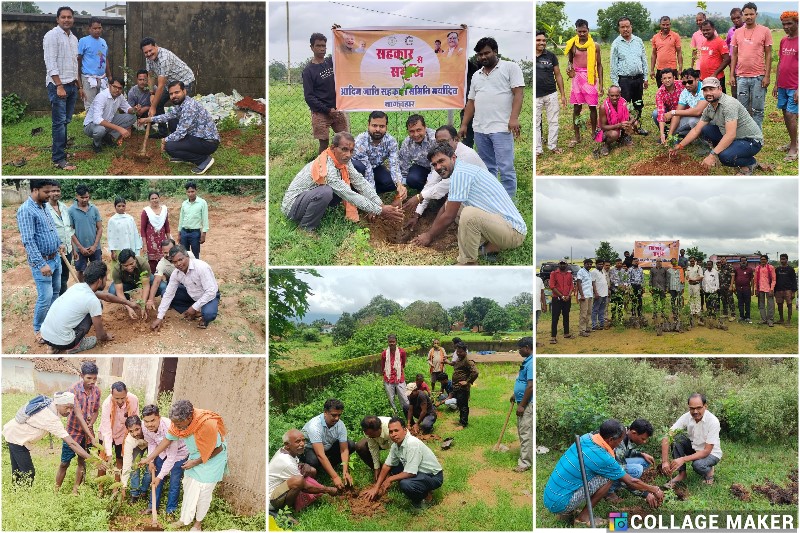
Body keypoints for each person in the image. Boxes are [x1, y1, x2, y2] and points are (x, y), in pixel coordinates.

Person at [410, 144, 527, 265]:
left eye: (441, 161)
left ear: (453, 157)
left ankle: (468, 262)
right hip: (500, 224)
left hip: (514, 232)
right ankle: (491, 246)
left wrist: (429, 235)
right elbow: (447, 207)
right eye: (434, 164)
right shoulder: (460, 170)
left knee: (469, 214)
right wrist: (430, 233)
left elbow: (449, 216)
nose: (438, 167)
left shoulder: (461, 173)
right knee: (453, 205)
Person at [543, 419, 664, 528]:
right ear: (611, 439)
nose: (619, 444)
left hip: (551, 496)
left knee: (610, 473)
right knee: (608, 477)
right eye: (619, 441)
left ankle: (570, 509)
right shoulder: (604, 458)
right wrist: (654, 489)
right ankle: (583, 518)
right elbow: (631, 481)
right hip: (560, 503)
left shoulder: (586, 438)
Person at [282, 132, 404, 233]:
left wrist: (380, 204)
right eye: (344, 149)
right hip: (292, 207)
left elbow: (359, 181)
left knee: (336, 188)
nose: (348, 155)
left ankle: (316, 211)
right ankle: (305, 229)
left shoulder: (342, 161)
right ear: (333, 148)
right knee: (326, 192)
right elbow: (348, 194)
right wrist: (380, 210)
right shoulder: (327, 167)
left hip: (308, 198)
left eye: (351, 151)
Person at [139, 400, 228, 531]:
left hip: (212, 460)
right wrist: (149, 458)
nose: (176, 427)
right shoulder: (177, 423)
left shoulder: (207, 424)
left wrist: (195, 462)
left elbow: (218, 449)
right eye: (174, 424)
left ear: (189, 418)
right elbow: (167, 440)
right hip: (195, 455)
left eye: (179, 425)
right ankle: (184, 519)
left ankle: (198, 524)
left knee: (203, 493)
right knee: (189, 488)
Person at [459, 37, 523, 197]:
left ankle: (508, 202)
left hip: (501, 127)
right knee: (487, 167)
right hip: (480, 129)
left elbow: (518, 94)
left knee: (506, 167)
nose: (483, 57)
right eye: (480, 54)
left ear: (495, 52)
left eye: (486, 53)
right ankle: (492, 198)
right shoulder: (476, 75)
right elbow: (471, 102)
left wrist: (514, 118)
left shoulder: (510, 67)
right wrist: (464, 124)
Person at [41, 261, 141, 354]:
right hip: (65, 342)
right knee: (97, 308)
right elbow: (100, 336)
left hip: (46, 335)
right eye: (105, 278)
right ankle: (75, 346)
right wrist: (106, 336)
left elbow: (106, 296)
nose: (106, 280)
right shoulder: (92, 301)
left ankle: (53, 347)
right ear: (100, 280)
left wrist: (128, 303)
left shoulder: (78, 287)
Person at [669, 77, 763, 175]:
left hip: (750, 140)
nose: (708, 93)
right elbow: (696, 130)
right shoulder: (710, 107)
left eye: (711, 89)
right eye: (705, 90)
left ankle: (751, 163)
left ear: (720, 89)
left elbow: (730, 135)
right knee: (706, 129)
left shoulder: (729, 105)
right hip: (732, 137)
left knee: (725, 157)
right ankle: (725, 150)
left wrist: (712, 155)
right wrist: (680, 146)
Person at [401, 126, 486, 231]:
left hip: (481, 198)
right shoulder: (443, 155)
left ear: (456, 139)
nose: (442, 146)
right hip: (465, 192)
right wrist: (417, 214)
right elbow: (431, 183)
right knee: (448, 206)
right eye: (438, 143)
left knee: (457, 214)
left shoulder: (467, 156)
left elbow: (448, 184)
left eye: (445, 142)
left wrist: (420, 197)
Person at [3, 391, 98, 486]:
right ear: (58, 404)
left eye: (71, 408)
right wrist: (92, 459)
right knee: (28, 473)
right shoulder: (50, 418)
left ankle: (16, 490)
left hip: (15, 433)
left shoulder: (50, 405)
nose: (69, 411)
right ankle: (23, 493)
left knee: (18, 470)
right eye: (66, 407)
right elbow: (71, 443)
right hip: (17, 437)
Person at [18, 179, 65, 344]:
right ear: (35, 190)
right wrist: (40, 264)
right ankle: (38, 329)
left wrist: (59, 243)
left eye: (51, 191)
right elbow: (28, 241)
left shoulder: (44, 206)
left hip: (55, 258)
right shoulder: (26, 210)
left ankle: (52, 323)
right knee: (45, 297)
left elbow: (51, 229)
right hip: (43, 263)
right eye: (46, 192)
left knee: (56, 292)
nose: (50, 195)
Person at [138, 81, 219, 175]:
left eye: (177, 92)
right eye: (171, 94)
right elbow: (168, 116)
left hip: (207, 142)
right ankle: (183, 155)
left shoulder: (189, 107)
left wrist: (165, 140)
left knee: (170, 147)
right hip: (197, 136)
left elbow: (180, 133)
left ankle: (203, 160)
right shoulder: (182, 103)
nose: (174, 96)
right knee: (172, 121)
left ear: (184, 91)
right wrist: (148, 119)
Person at [363, 418, 444, 511]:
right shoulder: (395, 445)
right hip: (419, 472)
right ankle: (419, 486)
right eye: (391, 432)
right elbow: (387, 465)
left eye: (396, 430)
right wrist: (376, 487)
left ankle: (425, 498)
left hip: (433, 476)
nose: (393, 434)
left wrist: (389, 479)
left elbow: (411, 473)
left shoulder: (412, 444)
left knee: (406, 484)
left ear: (405, 430)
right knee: (393, 468)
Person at [269, 429, 337, 521]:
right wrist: (327, 489)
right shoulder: (286, 461)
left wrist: (304, 465)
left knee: (311, 470)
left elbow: (296, 464)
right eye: (297, 441)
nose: (302, 444)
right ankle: (285, 512)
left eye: (303, 440)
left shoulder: (287, 451)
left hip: (279, 488)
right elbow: (305, 486)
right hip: (271, 499)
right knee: (298, 481)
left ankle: (297, 499)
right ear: (287, 445)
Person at [54, 362, 100, 493]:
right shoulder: (73, 390)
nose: (92, 381)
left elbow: (96, 410)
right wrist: (92, 436)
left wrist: (91, 423)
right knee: (65, 462)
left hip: (87, 433)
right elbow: (79, 416)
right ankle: (56, 490)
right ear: (81, 375)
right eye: (89, 378)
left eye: (95, 378)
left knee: (82, 460)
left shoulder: (97, 391)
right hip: (72, 432)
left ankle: (75, 490)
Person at [43, 7, 79, 170]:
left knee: (66, 121)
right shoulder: (52, 36)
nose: (66, 20)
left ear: (73, 19)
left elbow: (74, 63)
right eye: (63, 17)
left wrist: (78, 85)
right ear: (57, 19)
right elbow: (50, 63)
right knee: (59, 123)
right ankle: (58, 159)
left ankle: (61, 151)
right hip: (58, 86)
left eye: (69, 17)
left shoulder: (74, 38)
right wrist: (59, 85)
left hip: (71, 85)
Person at [151, 245, 220, 330]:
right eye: (175, 262)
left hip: (209, 295)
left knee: (209, 314)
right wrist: (159, 318)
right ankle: (195, 312)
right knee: (165, 292)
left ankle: (203, 316)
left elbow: (211, 291)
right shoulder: (176, 273)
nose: (178, 264)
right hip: (191, 294)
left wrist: (194, 307)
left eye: (180, 259)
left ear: (187, 256)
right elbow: (169, 294)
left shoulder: (201, 267)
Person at [662, 394, 722, 488]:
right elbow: (667, 436)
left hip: (711, 453)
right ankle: (682, 474)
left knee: (697, 465)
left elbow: (707, 451)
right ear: (689, 407)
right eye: (692, 408)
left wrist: (682, 459)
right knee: (676, 439)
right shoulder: (687, 417)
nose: (695, 411)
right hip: (695, 448)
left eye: (699, 408)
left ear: (705, 406)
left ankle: (709, 471)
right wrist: (665, 461)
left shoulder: (713, 421)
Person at [140, 37, 195, 138]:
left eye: (150, 50)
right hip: (169, 83)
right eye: (146, 52)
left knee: (181, 108)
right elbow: (151, 75)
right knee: (158, 103)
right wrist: (152, 93)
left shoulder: (164, 58)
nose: (148, 54)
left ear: (156, 46)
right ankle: (163, 132)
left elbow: (160, 85)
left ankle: (181, 134)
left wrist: (152, 107)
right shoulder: (149, 58)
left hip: (184, 81)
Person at [730, 2, 773, 130]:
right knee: (742, 109)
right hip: (741, 77)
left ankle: (757, 136)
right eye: (746, 14)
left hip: (758, 77)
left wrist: (767, 76)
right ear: (742, 15)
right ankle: (744, 135)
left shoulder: (765, 31)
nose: (749, 17)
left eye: (751, 14)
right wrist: (732, 75)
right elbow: (734, 55)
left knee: (757, 109)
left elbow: (769, 54)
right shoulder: (737, 32)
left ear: (756, 14)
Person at [140, 404, 189, 517]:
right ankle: (152, 507)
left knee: (174, 481)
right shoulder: (144, 426)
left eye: (152, 420)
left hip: (179, 452)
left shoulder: (169, 428)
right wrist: (151, 461)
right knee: (156, 478)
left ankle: (170, 510)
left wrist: (160, 476)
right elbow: (151, 443)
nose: (149, 424)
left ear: (159, 417)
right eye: (146, 421)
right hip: (161, 451)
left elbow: (171, 457)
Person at [303, 32, 347, 154]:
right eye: (318, 46)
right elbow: (309, 97)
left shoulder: (330, 62)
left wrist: (340, 34)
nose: (322, 49)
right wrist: (327, 110)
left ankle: (342, 161)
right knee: (324, 142)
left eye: (324, 46)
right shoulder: (308, 71)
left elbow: (343, 51)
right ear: (312, 47)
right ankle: (321, 163)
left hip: (336, 109)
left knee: (344, 138)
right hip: (321, 112)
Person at [299, 398, 355, 490]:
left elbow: (344, 450)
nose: (337, 418)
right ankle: (318, 468)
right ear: (325, 412)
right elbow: (320, 454)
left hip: (327, 447)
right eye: (334, 415)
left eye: (339, 415)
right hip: (311, 448)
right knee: (313, 461)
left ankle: (328, 466)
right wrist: (335, 477)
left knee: (351, 445)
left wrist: (345, 471)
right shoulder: (315, 426)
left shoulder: (340, 425)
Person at [565, 20, 603, 147]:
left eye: (584, 31)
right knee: (577, 108)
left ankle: (594, 133)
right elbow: (570, 62)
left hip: (590, 78)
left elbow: (599, 65)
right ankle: (577, 136)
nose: (582, 34)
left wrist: (601, 84)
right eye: (579, 31)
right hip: (577, 79)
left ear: (588, 30)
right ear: (576, 31)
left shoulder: (595, 45)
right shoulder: (572, 45)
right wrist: (569, 69)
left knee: (592, 106)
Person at [610, 17, 650, 135]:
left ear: (631, 27)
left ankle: (638, 126)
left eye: (627, 26)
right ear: (619, 29)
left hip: (638, 79)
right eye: (622, 27)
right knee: (624, 106)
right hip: (624, 81)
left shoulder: (638, 41)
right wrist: (616, 85)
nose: (625, 29)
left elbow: (644, 60)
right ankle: (625, 132)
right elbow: (613, 65)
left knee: (638, 104)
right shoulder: (616, 44)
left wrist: (645, 77)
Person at [352, 111, 406, 196]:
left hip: (375, 167)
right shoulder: (360, 141)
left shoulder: (391, 141)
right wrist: (373, 196)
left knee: (392, 183)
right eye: (374, 125)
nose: (378, 129)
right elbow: (367, 170)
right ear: (368, 125)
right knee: (359, 167)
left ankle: (363, 190)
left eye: (382, 126)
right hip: (360, 168)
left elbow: (394, 164)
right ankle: (357, 189)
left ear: (386, 127)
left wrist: (399, 184)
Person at [98, 382, 140, 487]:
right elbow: (106, 430)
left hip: (122, 435)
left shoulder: (133, 400)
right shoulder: (107, 404)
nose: (120, 401)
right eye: (117, 398)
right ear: (111, 394)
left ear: (127, 393)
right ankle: (100, 488)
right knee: (103, 460)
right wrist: (109, 454)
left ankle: (116, 487)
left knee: (120, 460)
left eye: (123, 398)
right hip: (107, 433)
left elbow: (134, 421)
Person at [606, 419, 656, 502]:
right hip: (604, 469)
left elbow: (624, 452)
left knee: (644, 461)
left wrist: (641, 454)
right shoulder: (619, 441)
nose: (644, 442)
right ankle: (608, 491)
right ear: (634, 433)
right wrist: (644, 493)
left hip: (613, 462)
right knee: (637, 470)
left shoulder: (625, 431)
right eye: (643, 438)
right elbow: (622, 475)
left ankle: (616, 486)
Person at [536, 30, 567, 155]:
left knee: (553, 121)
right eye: (538, 40)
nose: (542, 43)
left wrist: (563, 94)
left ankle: (553, 146)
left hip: (551, 93)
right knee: (536, 123)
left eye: (544, 40)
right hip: (536, 96)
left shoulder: (551, 56)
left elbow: (558, 75)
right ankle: (537, 150)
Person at [775, 12, 798, 162]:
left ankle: (794, 148)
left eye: (789, 23)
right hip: (783, 85)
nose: (786, 27)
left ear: (797, 23)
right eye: (783, 24)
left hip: (795, 86)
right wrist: (776, 84)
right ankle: (792, 142)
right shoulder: (784, 40)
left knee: (791, 115)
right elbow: (780, 63)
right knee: (785, 113)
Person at [69, 184, 103, 283]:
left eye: (87, 197)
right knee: (80, 270)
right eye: (82, 197)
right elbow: (70, 231)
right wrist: (80, 248)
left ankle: (96, 289)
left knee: (98, 270)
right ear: (76, 196)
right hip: (79, 249)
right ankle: (82, 288)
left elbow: (100, 228)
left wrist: (95, 246)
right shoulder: (71, 211)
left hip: (95, 247)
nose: (84, 200)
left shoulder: (94, 209)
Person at [46, 181, 74, 297]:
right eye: (53, 191)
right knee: (56, 281)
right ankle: (57, 300)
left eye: (58, 191)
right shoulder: (44, 209)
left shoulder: (64, 207)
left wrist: (73, 249)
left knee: (64, 278)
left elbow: (69, 230)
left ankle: (63, 299)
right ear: (48, 192)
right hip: (55, 252)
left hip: (67, 249)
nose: (56, 193)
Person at [108, 249, 159, 314]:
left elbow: (146, 285)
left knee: (161, 286)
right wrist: (128, 307)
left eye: (131, 264)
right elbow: (119, 292)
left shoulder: (143, 263)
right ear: (121, 264)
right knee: (112, 291)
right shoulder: (117, 270)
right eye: (125, 266)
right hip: (127, 283)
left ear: (135, 259)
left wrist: (143, 305)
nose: (129, 267)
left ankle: (147, 298)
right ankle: (127, 299)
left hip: (142, 280)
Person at [146, 238, 189, 313]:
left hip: (192, 283)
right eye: (165, 252)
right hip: (178, 285)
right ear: (162, 251)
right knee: (164, 291)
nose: (168, 254)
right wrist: (150, 300)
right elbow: (156, 281)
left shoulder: (187, 255)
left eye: (170, 251)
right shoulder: (162, 264)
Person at [77, 18, 111, 109]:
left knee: (103, 104)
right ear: (89, 29)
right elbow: (78, 61)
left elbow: (105, 59)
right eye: (95, 28)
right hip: (89, 78)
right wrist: (79, 83)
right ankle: (89, 119)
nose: (97, 30)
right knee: (90, 105)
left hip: (102, 78)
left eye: (99, 28)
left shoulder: (103, 42)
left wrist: (109, 76)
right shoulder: (83, 41)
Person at [399, 115, 437, 191]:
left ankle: (434, 190)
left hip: (438, 168)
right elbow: (404, 165)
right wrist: (402, 186)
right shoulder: (407, 143)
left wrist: (430, 181)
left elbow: (438, 164)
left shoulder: (435, 138)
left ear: (425, 128)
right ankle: (427, 190)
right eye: (412, 131)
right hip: (422, 167)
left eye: (419, 130)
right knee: (412, 179)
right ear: (407, 131)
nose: (416, 134)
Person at [667, 69, 707, 138]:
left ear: (697, 79)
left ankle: (703, 139)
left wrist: (673, 112)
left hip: (710, 119)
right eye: (684, 83)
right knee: (674, 129)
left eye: (690, 82)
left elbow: (698, 112)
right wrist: (670, 135)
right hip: (695, 117)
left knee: (692, 121)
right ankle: (673, 136)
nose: (687, 85)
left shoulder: (705, 89)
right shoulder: (685, 92)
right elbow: (677, 115)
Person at [512, 337, 532, 473]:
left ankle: (525, 463)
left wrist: (522, 405)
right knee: (522, 430)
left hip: (528, 404)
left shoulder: (531, 363)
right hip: (522, 400)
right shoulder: (527, 361)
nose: (519, 351)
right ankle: (526, 456)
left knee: (526, 432)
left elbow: (531, 386)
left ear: (527, 348)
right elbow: (523, 381)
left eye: (520, 348)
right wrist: (515, 394)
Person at [595, 86, 633, 157]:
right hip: (605, 131)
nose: (614, 98)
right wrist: (619, 125)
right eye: (612, 96)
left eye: (617, 95)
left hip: (619, 125)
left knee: (634, 124)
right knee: (614, 134)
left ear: (620, 95)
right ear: (608, 95)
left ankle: (622, 138)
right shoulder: (603, 107)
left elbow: (631, 116)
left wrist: (629, 123)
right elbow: (603, 127)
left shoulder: (623, 102)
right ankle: (606, 145)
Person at [120, 415, 150, 502]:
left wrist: (149, 460)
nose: (135, 433)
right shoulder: (129, 440)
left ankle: (144, 491)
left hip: (151, 444)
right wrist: (123, 485)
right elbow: (127, 463)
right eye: (131, 431)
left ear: (141, 425)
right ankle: (134, 494)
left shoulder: (149, 429)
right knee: (134, 467)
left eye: (137, 429)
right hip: (137, 446)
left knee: (150, 467)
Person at [141, 191, 171, 272]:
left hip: (162, 240)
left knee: (164, 259)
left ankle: (163, 276)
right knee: (152, 262)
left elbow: (167, 226)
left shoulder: (164, 210)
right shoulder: (146, 212)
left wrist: (169, 240)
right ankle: (154, 277)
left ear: (159, 198)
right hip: (151, 242)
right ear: (149, 200)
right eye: (152, 199)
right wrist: (144, 245)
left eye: (156, 198)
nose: (154, 200)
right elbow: (142, 229)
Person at [355, 416, 393, 481]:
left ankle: (389, 471)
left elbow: (393, 451)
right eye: (368, 434)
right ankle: (380, 470)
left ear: (379, 428)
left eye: (372, 434)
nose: (369, 436)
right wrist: (376, 467)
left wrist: (387, 468)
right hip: (381, 443)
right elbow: (373, 448)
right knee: (360, 446)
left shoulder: (390, 428)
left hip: (396, 444)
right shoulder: (367, 430)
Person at [451, 342, 479, 429]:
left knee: (463, 405)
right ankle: (461, 420)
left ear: (465, 351)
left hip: (462, 388)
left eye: (460, 352)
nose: (458, 353)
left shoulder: (468, 360)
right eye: (457, 351)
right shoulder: (459, 359)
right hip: (457, 387)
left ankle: (463, 424)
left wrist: (467, 381)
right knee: (459, 404)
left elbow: (475, 372)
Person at [178, 181, 209, 259]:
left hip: (195, 233)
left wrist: (204, 234)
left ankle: (196, 267)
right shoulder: (184, 203)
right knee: (184, 254)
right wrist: (179, 233)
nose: (190, 194)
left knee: (195, 255)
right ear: (186, 192)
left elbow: (205, 218)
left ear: (196, 190)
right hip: (184, 232)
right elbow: (181, 219)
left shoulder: (202, 203)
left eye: (192, 191)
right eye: (188, 192)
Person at [652, 69, 684, 144]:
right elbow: (660, 112)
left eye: (669, 78)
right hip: (669, 114)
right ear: (661, 80)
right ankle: (665, 133)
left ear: (674, 78)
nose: (667, 80)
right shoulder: (660, 93)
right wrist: (662, 133)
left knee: (676, 138)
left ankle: (678, 133)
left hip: (683, 113)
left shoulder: (682, 85)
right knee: (655, 113)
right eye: (664, 78)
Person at [698, 21, 730, 94]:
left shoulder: (720, 42)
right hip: (704, 78)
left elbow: (727, 59)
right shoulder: (704, 42)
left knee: (719, 98)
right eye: (703, 30)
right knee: (706, 98)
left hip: (716, 78)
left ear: (713, 29)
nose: (705, 32)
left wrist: (715, 73)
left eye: (708, 30)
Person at [651, 16, 682, 89]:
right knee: (661, 90)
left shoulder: (675, 36)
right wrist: (652, 70)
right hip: (660, 69)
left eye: (667, 25)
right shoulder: (655, 37)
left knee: (674, 90)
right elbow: (654, 54)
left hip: (672, 69)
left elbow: (679, 53)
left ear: (670, 24)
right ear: (660, 25)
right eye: (663, 25)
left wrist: (680, 68)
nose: (665, 27)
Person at [381, 334, 409, 416]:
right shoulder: (384, 353)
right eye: (390, 342)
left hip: (399, 378)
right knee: (391, 398)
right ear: (388, 342)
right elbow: (383, 366)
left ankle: (407, 414)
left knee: (404, 397)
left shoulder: (402, 352)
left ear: (396, 342)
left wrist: (398, 370)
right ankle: (395, 414)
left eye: (393, 342)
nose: (391, 343)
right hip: (388, 379)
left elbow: (403, 364)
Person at [550, 261, 574, 343]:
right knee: (555, 317)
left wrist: (568, 295)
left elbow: (571, 286)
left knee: (566, 316)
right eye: (561, 264)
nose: (563, 265)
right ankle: (553, 337)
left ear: (567, 265)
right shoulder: (554, 273)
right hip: (557, 298)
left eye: (564, 264)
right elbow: (552, 286)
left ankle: (566, 333)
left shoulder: (569, 274)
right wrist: (561, 296)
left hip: (567, 298)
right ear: (558, 264)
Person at [775, 253, 797, 325]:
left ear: (787, 260)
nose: (782, 260)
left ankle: (788, 320)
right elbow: (775, 280)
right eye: (781, 259)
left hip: (788, 290)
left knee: (789, 304)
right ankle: (781, 319)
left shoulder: (791, 269)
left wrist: (793, 292)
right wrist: (775, 291)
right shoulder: (777, 269)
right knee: (779, 305)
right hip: (779, 290)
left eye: (784, 259)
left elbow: (794, 280)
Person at [754, 254, 776, 326]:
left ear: (767, 260)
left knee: (770, 305)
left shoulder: (771, 267)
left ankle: (770, 320)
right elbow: (755, 280)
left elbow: (774, 279)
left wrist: (772, 289)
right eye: (761, 259)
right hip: (760, 288)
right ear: (760, 260)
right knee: (761, 305)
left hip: (769, 289)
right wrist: (756, 289)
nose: (763, 261)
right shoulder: (757, 268)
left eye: (764, 259)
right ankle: (763, 319)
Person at [575, 259, 595, 337]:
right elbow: (579, 283)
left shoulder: (589, 273)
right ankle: (582, 330)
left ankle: (587, 328)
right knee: (583, 313)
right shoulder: (581, 272)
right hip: (584, 296)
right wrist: (582, 295)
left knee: (589, 312)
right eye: (588, 264)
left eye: (590, 264)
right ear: (584, 264)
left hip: (590, 295)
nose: (589, 265)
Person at [734, 256, 755, 323]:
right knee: (740, 303)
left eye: (744, 260)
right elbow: (734, 279)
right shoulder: (736, 269)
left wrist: (752, 289)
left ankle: (748, 317)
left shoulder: (750, 269)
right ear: (740, 262)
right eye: (742, 261)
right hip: (739, 289)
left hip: (747, 289)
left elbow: (752, 279)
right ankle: (741, 316)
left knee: (747, 303)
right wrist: (734, 287)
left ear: (746, 262)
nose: (743, 262)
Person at [702, 260, 723, 327]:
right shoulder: (705, 272)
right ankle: (709, 314)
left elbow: (717, 281)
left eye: (710, 265)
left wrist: (716, 289)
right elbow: (704, 281)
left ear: (712, 265)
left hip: (713, 290)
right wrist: (703, 288)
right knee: (707, 303)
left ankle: (715, 315)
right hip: (707, 291)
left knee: (714, 303)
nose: (709, 266)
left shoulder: (715, 272)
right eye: (707, 265)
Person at [686, 257, 704, 327]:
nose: (692, 262)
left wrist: (694, 279)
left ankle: (698, 312)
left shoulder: (698, 268)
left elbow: (701, 277)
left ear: (695, 261)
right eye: (691, 261)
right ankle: (692, 311)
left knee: (697, 298)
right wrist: (688, 278)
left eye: (693, 261)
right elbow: (687, 276)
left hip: (696, 285)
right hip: (690, 285)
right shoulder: (688, 268)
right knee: (691, 298)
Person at [649, 258, 668, 325]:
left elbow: (667, 279)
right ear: (656, 262)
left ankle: (663, 313)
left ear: (661, 262)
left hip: (662, 288)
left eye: (660, 261)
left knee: (663, 301)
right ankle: (654, 314)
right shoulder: (652, 269)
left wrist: (666, 287)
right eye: (657, 261)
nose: (659, 262)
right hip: (655, 288)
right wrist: (650, 287)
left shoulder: (664, 270)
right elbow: (650, 278)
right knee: (655, 301)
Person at [591, 257, 608, 331]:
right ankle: (594, 325)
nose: (601, 265)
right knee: (595, 310)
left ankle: (601, 324)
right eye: (599, 264)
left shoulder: (603, 272)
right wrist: (596, 293)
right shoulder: (594, 272)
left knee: (602, 310)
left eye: (602, 264)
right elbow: (593, 283)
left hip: (604, 294)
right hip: (598, 294)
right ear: (596, 264)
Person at [609, 258, 625, 326]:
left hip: (621, 291)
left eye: (620, 263)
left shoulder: (623, 270)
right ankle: (613, 318)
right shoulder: (612, 270)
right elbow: (612, 280)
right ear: (615, 263)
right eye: (618, 263)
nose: (619, 264)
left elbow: (625, 279)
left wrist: (625, 286)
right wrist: (618, 285)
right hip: (614, 290)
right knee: (613, 305)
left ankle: (620, 318)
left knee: (620, 305)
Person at [668, 258, 685, 323]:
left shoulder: (680, 269)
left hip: (679, 287)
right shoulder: (669, 270)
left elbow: (683, 279)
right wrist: (668, 288)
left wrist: (683, 288)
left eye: (675, 261)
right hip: (672, 288)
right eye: (672, 262)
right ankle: (674, 313)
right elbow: (668, 280)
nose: (674, 263)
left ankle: (678, 312)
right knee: (673, 300)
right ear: (671, 263)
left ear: (676, 262)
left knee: (679, 300)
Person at [536, 273, 548, 345]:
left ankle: (534, 342)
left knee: (535, 323)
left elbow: (542, 293)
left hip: (537, 306)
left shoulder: (539, 280)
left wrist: (544, 304)